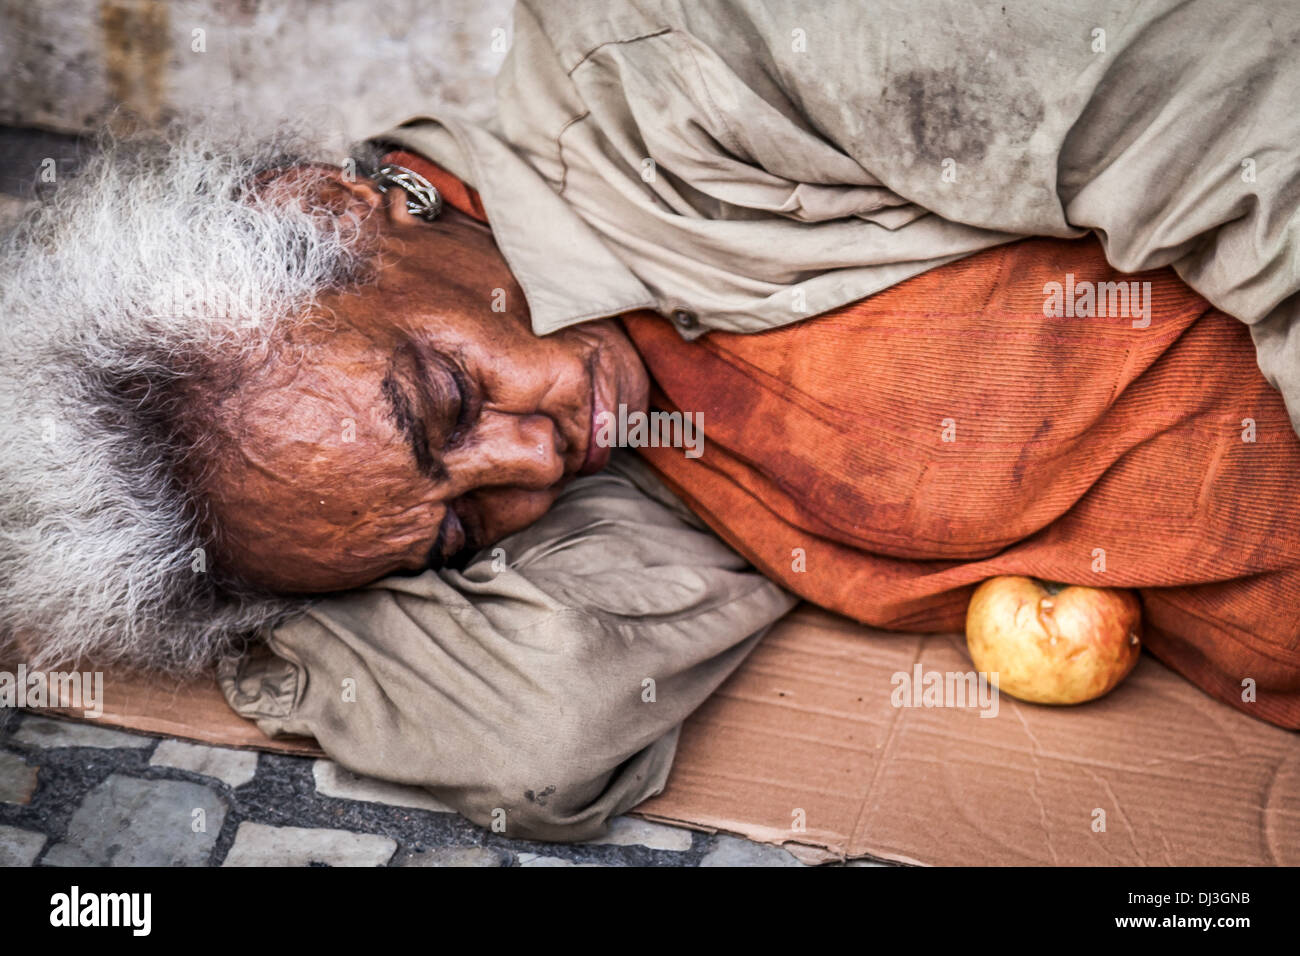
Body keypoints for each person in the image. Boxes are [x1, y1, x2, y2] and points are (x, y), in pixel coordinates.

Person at [3, 0, 1299, 839]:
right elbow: (540, 723)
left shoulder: (712, 49)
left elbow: (1269, 138)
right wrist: (277, 568)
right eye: (460, 530)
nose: (537, 457)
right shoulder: (617, 436)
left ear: (333, 208)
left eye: (447, 401)